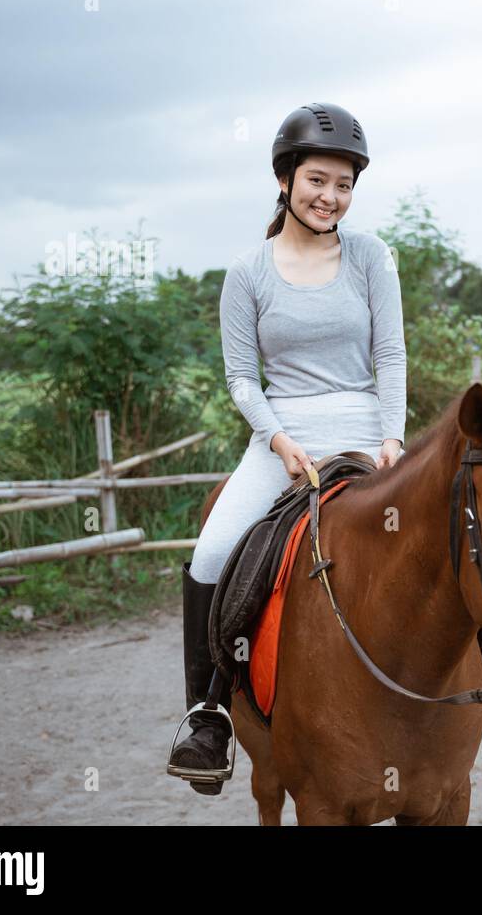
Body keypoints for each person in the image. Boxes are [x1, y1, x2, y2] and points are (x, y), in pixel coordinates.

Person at [167, 102, 407, 793]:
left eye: (344, 184)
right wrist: (277, 440)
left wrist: (391, 436)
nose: (331, 196)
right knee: (213, 552)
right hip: (281, 437)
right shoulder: (247, 271)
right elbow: (241, 376)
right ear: (285, 180)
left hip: (367, 427)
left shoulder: (371, 256)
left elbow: (389, 353)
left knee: (446, 519)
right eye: (317, 180)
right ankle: (208, 714)